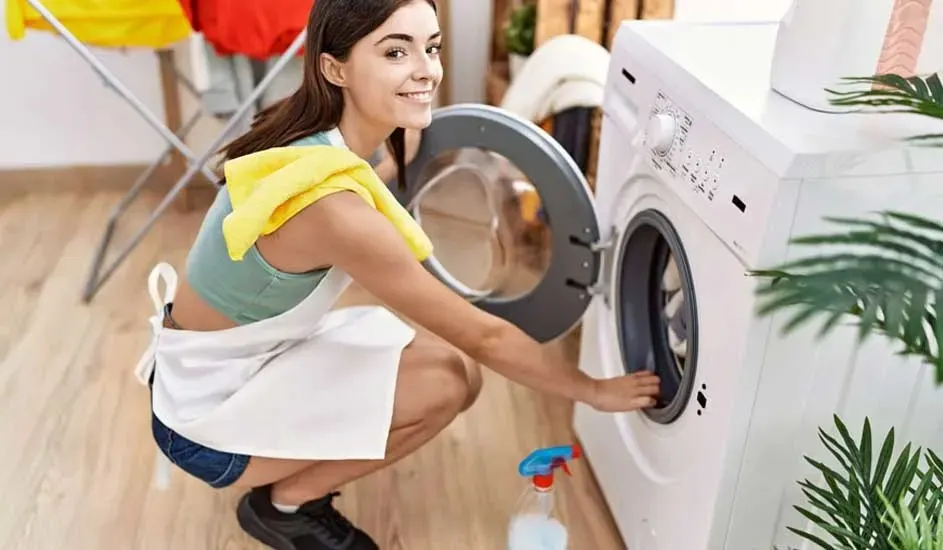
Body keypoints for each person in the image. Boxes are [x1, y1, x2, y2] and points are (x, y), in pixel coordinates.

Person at [138, 1, 661, 549]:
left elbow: (381, 167)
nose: (427, 70)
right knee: (448, 381)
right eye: (395, 52)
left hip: (209, 369)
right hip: (202, 424)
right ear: (334, 68)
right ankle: (285, 507)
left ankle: (287, 488)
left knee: (452, 368)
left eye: (430, 47)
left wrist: (408, 124)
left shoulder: (305, 132)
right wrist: (591, 390)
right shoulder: (334, 209)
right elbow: (482, 334)